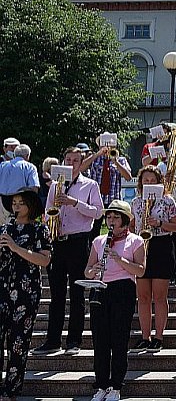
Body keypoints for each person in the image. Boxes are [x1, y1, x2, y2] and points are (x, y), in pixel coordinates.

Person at [33, 146, 104, 356]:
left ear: (81, 163)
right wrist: (49, 217)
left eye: (75, 160)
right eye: (68, 159)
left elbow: (98, 212)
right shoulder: (56, 185)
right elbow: (47, 212)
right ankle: (52, 340)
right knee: (56, 294)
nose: (71, 163)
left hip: (78, 241)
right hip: (58, 241)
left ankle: (74, 341)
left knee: (77, 293)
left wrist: (74, 203)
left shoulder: (90, 184)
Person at [84, 200, 145, 401]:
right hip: (100, 289)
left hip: (123, 289)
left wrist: (119, 259)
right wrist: (94, 271)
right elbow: (87, 270)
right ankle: (101, 385)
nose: (111, 220)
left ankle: (116, 386)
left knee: (119, 339)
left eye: (116, 217)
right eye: (109, 216)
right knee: (100, 339)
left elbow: (140, 270)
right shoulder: (99, 241)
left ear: (125, 220)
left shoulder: (136, 241)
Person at [0, 188, 51, 400]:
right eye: (14, 203)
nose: (16, 207)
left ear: (30, 205)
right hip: (3, 288)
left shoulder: (39, 229)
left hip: (26, 291)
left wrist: (15, 247)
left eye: (20, 203)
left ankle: (12, 388)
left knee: (18, 341)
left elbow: (44, 259)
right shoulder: (5, 228)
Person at [129, 166, 176, 354]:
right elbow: (132, 225)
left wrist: (158, 223)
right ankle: (144, 336)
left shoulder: (167, 200)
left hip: (162, 246)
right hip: (142, 246)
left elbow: (175, 226)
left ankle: (159, 336)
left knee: (159, 296)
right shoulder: (135, 201)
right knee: (142, 296)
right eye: (145, 181)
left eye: (152, 180)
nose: (148, 183)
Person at [83, 141, 133, 240]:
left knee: (115, 228)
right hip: (96, 199)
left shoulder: (121, 160)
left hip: (112, 199)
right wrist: (97, 154)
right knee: (93, 229)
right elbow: (81, 168)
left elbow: (128, 177)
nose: (107, 146)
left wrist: (115, 162)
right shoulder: (94, 158)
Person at [0, 144, 40, 223]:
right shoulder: (30, 167)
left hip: (1, 202)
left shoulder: (2, 165)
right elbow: (34, 188)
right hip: (20, 203)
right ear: (27, 156)